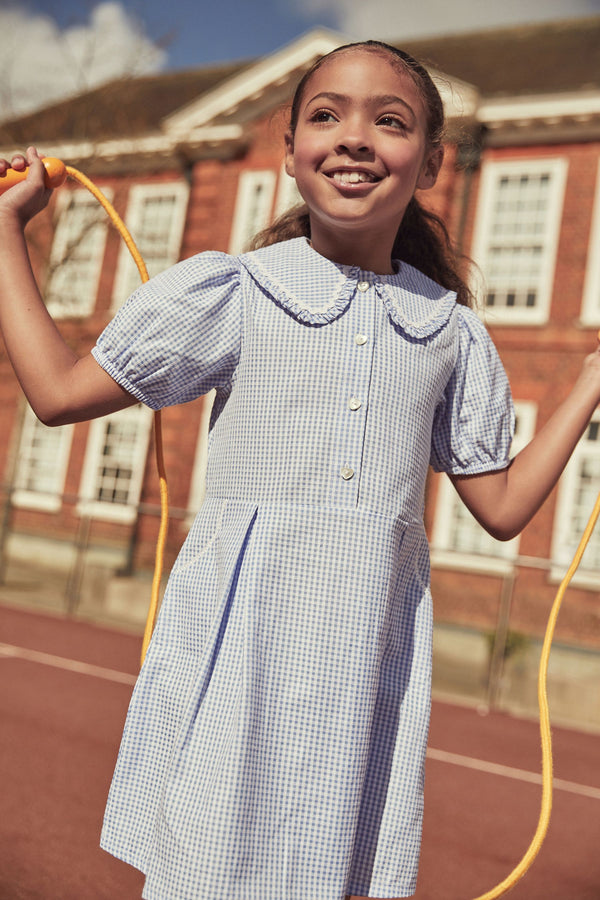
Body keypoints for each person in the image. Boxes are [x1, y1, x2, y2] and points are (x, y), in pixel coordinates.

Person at [0, 39, 599, 900]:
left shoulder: (453, 332)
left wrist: (587, 382)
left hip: (364, 661)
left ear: (430, 161)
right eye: (326, 115)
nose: (354, 137)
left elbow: (500, 507)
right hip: (239, 650)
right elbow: (57, 393)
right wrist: (8, 228)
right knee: (209, 870)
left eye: (389, 122)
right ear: (287, 153)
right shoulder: (231, 292)